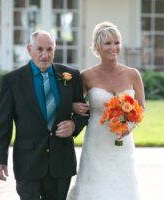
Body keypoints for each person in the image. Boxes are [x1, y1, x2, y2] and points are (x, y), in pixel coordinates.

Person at [0, 30, 88, 200]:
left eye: (49, 49)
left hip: (61, 161)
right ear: (30, 49)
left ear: (54, 50)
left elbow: (83, 111)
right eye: (40, 49)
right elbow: (3, 123)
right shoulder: (13, 81)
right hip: (28, 161)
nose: (45, 55)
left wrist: (74, 125)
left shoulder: (70, 76)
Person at [67, 21, 145, 200]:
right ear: (97, 47)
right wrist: (72, 106)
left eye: (116, 42)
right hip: (96, 140)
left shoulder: (133, 74)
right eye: (108, 43)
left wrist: (130, 127)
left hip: (122, 141)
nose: (113, 47)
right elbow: (71, 101)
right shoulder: (86, 76)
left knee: (122, 183)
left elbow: (142, 107)